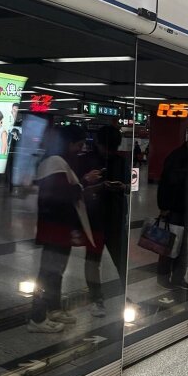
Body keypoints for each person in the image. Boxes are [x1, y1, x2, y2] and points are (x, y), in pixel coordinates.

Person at [28, 125, 94, 333]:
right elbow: (61, 196)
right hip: (55, 229)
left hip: (59, 229)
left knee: (56, 272)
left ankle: (54, 308)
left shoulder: (58, 161)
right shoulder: (55, 162)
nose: (80, 148)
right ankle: (37, 318)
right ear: (68, 143)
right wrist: (83, 182)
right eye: (79, 144)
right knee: (47, 273)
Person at [77, 126, 130, 317]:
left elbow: (131, 186)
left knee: (99, 260)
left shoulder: (120, 161)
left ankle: (99, 299)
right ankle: (96, 298)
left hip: (107, 218)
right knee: (97, 260)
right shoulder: (90, 161)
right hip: (99, 219)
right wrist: (98, 186)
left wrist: (122, 186)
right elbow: (78, 189)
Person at [157, 128, 188, 291]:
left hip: (185, 209)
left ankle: (178, 277)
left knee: (181, 245)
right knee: (170, 244)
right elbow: (166, 183)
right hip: (174, 208)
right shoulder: (177, 157)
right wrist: (164, 207)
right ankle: (164, 277)